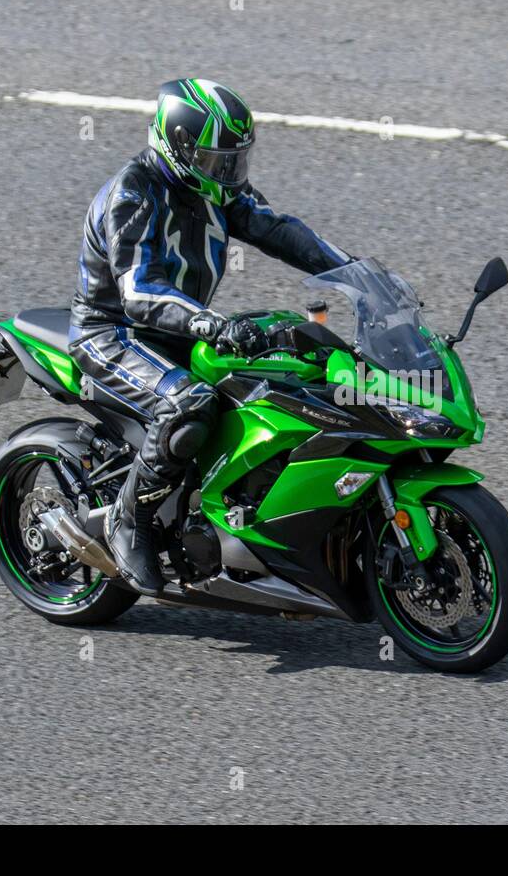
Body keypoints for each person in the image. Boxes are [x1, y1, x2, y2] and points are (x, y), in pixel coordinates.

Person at [69, 78, 352, 595]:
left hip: (179, 329)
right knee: (189, 405)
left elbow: (279, 229)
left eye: (234, 161)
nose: (229, 173)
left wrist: (352, 273)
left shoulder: (211, 188)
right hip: (114, 333)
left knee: (291, 371)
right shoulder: (132, 196)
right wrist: (210, 324)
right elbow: (140, 293)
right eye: (215, 159)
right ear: (177, 147)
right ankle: (128, 520)